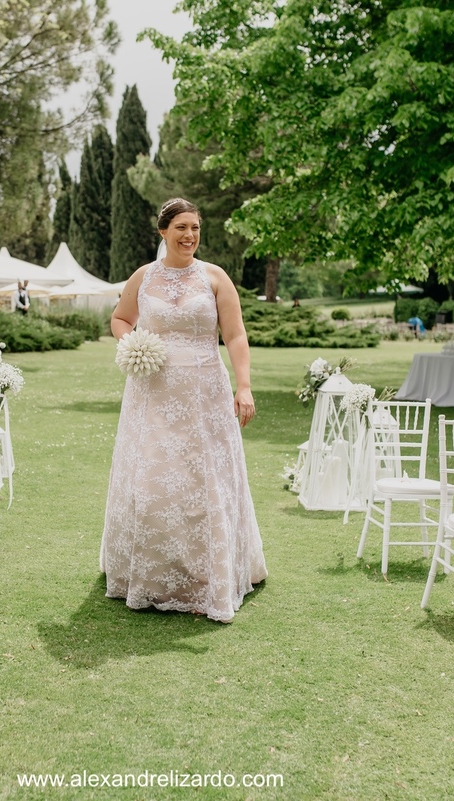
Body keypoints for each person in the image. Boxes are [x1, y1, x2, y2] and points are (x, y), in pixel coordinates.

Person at [101, 198, 267, 623]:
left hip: (204, 394)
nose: (190, 236)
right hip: (151, 394)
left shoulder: (214, 277)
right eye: (181, 228)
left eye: (195, 227)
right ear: (163, 232)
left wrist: (243, 386)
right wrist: (132, 344)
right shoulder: (143, 277)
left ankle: (205, 577)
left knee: (202, 480)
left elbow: (235, 335)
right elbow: (121, 319)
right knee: (154, 481)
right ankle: (154, 575)